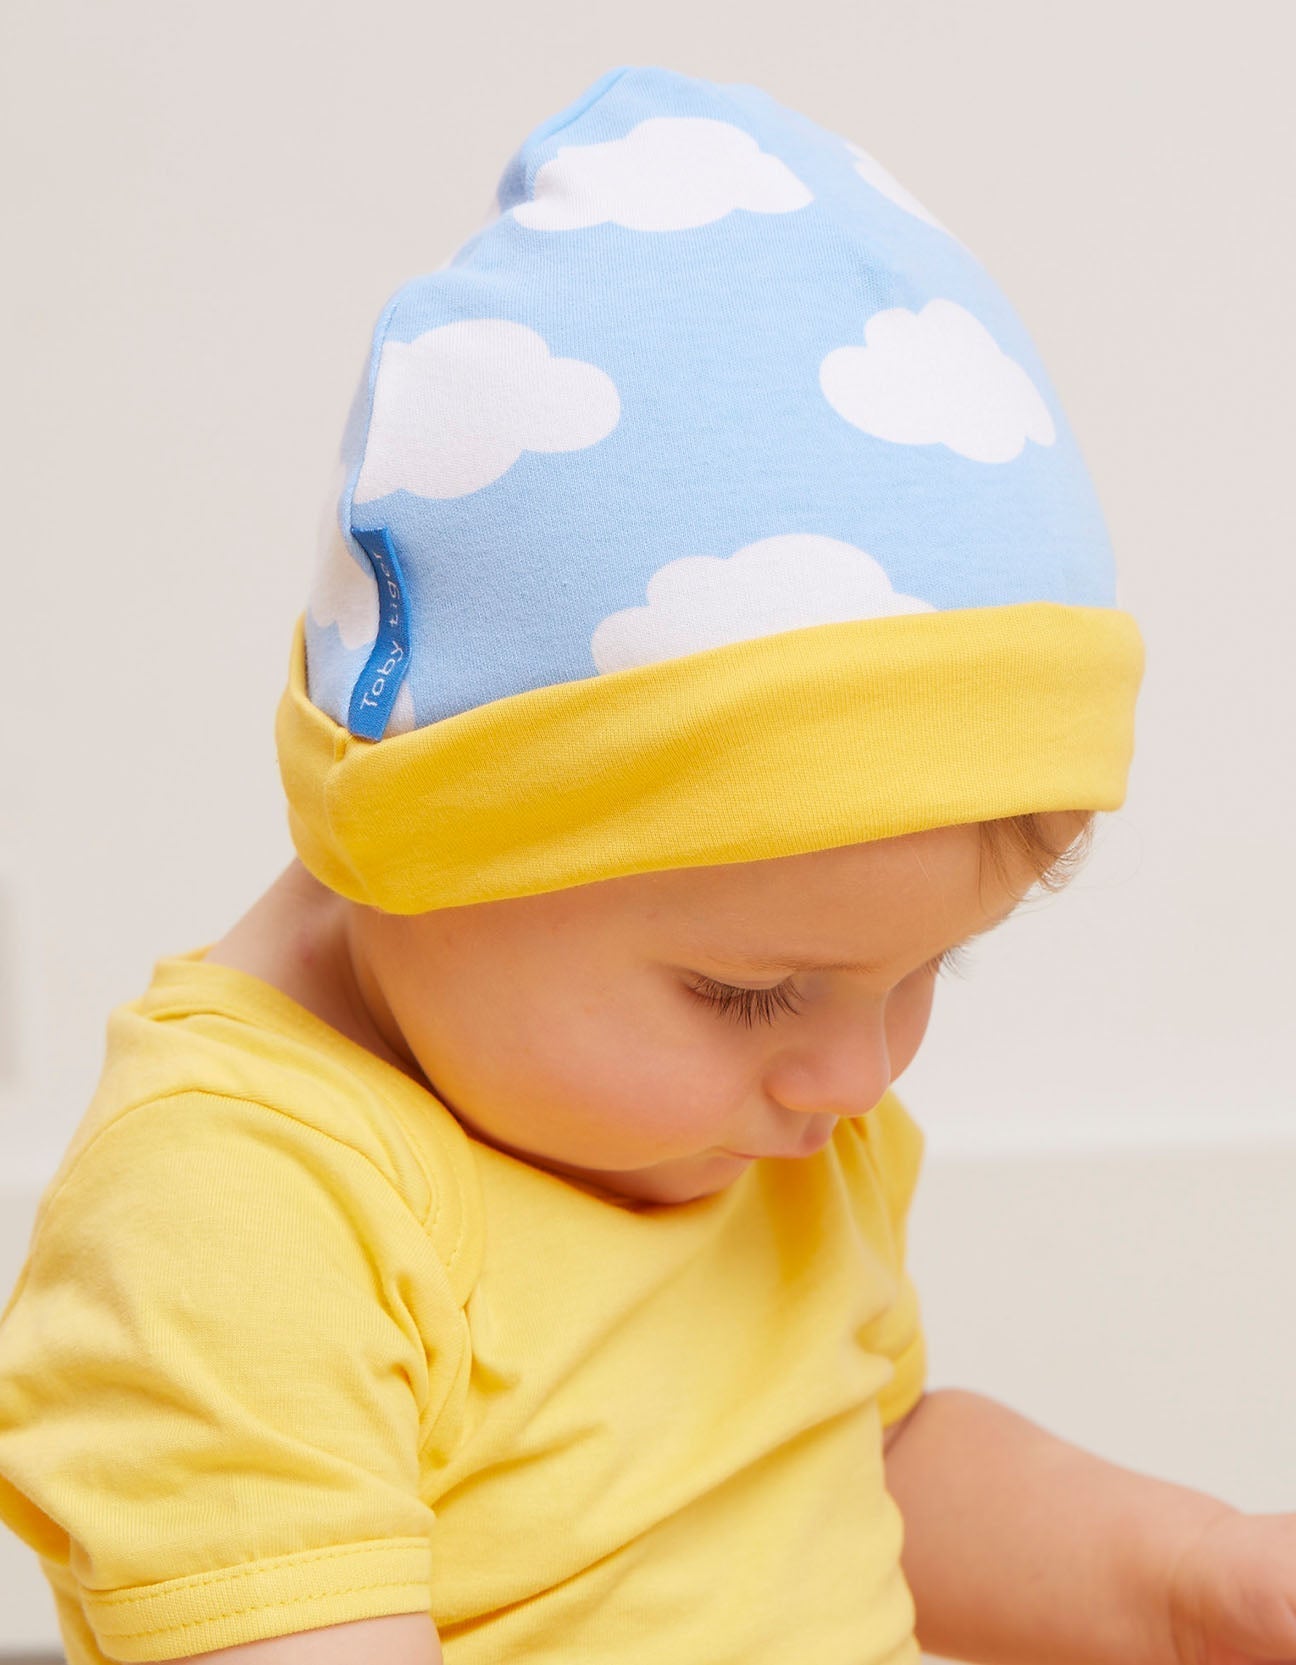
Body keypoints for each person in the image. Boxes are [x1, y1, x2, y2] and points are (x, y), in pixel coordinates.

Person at [0, 62, 1290, 1665]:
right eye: (753, 993)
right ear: (432, 845)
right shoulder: (246, 1215)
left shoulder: (765, 1126)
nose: (853, 1074)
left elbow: (850, 1465)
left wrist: (1199, 1579)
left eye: (924, 974)